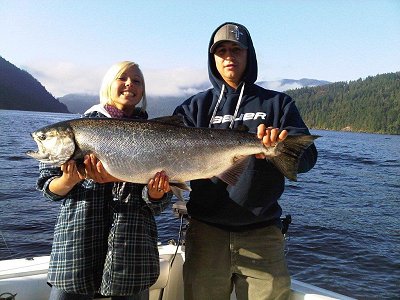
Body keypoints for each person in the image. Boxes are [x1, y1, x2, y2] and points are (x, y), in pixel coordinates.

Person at [173, 22, 318, 299]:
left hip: (262, 234)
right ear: (212, 57)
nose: (229, 56)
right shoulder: (193, 108)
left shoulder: (278, 104)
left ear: (248, 54)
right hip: (206, 233)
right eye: (222, 50)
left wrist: (279, 148)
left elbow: (307, 159)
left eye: (236, 49)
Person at [37, 61, 172, 300]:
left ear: (142, 91)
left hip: (132, 249)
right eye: (123, 78)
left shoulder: (156, 133)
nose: (130, 84)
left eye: (137, 81)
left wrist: (156, 194)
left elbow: (158, 204)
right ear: (109, 84)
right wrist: (69, 180)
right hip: (77, 246)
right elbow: (48, 188)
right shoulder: (77, 129)